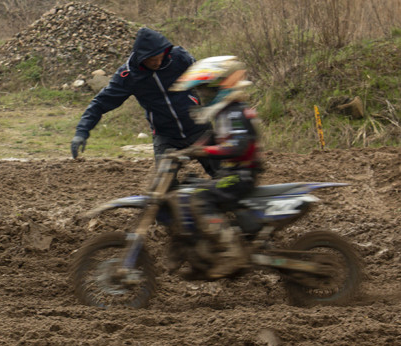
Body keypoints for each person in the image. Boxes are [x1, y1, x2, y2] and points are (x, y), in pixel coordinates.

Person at [70, 27, 217, 177]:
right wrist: (82, 132)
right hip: (166, 137)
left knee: (224, 176)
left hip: (199, 129)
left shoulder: (179, 57)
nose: (158, 63)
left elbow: (207, 81)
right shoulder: (128, 76)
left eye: (160, 57)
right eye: (152, 60)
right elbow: (100, 103)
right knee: (163, 186)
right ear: (141, 57)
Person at [168, 56, 264, 279]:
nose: (204, 96)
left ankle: (232, 254)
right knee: (188, 189)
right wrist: (185, 151)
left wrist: (204, 151)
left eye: (207, 90)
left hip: (241, 175)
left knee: (200, 197)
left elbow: (237, 146)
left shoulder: (234, 112)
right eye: (202, 91)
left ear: (220, 86)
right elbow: (211, 137)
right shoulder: (226, 111)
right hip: (232, 173)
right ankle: (202, 255)